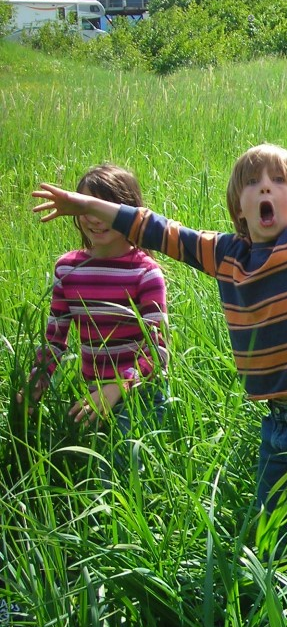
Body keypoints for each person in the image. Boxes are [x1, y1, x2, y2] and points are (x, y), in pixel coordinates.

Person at [31, 46, 287, 570]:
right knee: (272, 524)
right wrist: (91, 206)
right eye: (253, 185)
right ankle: (279, 601)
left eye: (277, 183)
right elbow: (156, 230)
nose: (264, 190)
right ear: (239, 207)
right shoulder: (227, 255)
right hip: (276, 417)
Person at [23, 163, 169, 463]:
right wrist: (37, 380)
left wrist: (119, 387)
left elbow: (159, 350)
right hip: (94, 393)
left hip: (142, 392)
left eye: (105, 209)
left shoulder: (145, 273)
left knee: (122, 468)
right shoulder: (68, 269)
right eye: (86, 207)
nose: (94, 219)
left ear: (128, 214)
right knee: (77, 464)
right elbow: (55, 339)